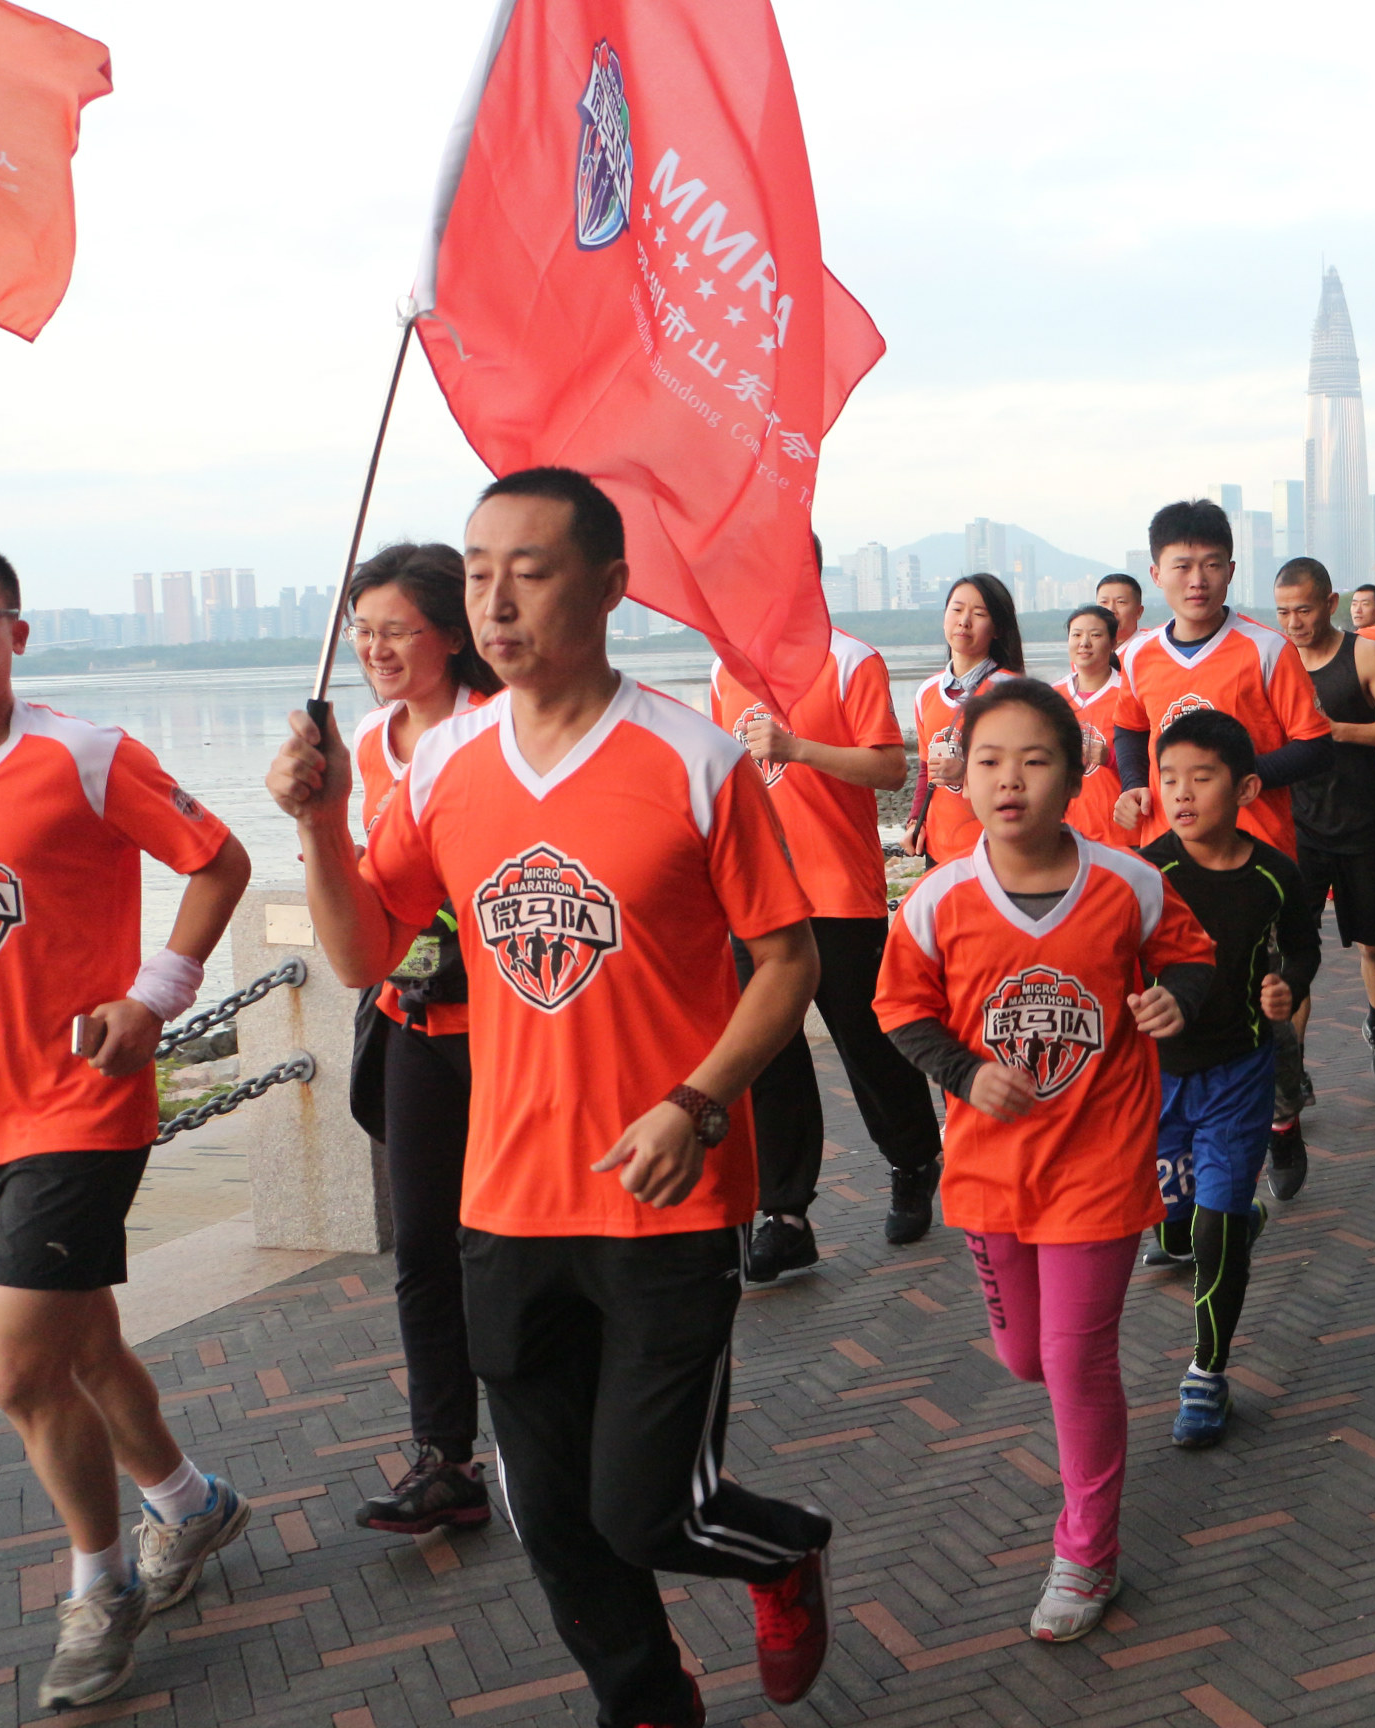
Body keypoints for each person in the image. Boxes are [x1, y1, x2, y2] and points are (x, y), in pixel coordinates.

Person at [267, 468, 835, 1721]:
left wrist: (695, 1103)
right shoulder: (444, 766)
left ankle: (783, 1550)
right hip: (506, 1197)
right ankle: (648, 1701)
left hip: (666, 1197)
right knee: (555, 1517)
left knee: (650, 1506)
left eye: (529, 571)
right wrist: (323, 824)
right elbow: (366, 953)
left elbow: (788, 961)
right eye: (478, 574)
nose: (497, 600)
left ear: (611, 586)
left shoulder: (692, 757)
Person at [0, 532, 255, 1710]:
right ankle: (190, 1506)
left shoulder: (85, 755)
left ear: (16, 632)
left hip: (81, 1103)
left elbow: (218, 859)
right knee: (82, 1348)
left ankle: (102, 1585)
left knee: (18, 1369)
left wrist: (155, 997)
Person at [874, 679, 1213, 1641]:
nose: (1010, 780)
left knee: (1074, 1359)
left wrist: (1175, 1000)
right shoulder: (937, 900)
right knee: (1026, 1357)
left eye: (1034, 760)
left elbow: (1191, 956)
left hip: (1101, 1162)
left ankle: (1086, 1553)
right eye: (989, 760)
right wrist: (964, 1073)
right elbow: (899, 1008)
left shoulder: (1129, 883)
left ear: (1075, 775)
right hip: (989, 1172)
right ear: (960, 775)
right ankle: (1079, 1487)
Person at [341, 542, 501, 1539]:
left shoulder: (501, 729)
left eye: (395, 630)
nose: (376, 649)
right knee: (423, 1246)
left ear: (451, 632)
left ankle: (549, 1436)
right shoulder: (368, 742)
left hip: (510, 1032)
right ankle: (446, 1458)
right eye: (362, 632)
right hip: (411, 1021)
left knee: (514, 1243)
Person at [712, 595, 946, 1277]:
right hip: (757, 899)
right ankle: (786, 1215)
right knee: (768, 1057)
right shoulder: (726, 668)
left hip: (839, 890)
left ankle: (912, 1159)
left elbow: (891, 768)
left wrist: (797, 749)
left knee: (867, 1046)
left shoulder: (851, 661)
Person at [1140, 711, 1319, 1443]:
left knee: (1212, 1234)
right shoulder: (1145, 873)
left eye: (1201, 778)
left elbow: (1303, 949)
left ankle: (1206, 1374)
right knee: (1177, 1225)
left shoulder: (1275, 874)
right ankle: (1237, 1218)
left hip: (1238, 1075)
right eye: (1168, 778)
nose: (1181, 793)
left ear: (1245, 788)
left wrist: (1287, 987)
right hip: (1156, 1082)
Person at [1272, 558, 1375, 1125]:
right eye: (1283, 612)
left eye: (1304, 610)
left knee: (1371, 940)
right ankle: (1295, 1064)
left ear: (1330, 604)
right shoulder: (1275, 661)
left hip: (1360, 824)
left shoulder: (1362, 654)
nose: (1294, 623)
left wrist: (1337, 731)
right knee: (1295, 951)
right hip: (1298, 830)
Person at [1108, 499, 1333, 856]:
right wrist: (1134, 783)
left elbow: (1316, 746)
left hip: (1253, 851)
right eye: (1182, 567)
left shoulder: (1268, 649)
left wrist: (1231, 777)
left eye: (1211, 565)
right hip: (1165, 850)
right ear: (1156, 574)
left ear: (1230, 571)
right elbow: (1129, 728)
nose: (1197, 581)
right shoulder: (1137, 655)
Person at [907, 574, 1025, 867]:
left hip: (997, 849)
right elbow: (926, 769)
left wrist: (966, 773)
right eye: (957, 609)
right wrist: (915, 821)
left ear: (998, 629)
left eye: (979, 614)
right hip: (939, 850)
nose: (964, 621)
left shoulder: (1012, 691)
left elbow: (1029, 770)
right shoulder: (926, 692)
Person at [1062, 604, 1138, 848]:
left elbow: (1152, 760)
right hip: (1065, 836)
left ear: (1113, 643)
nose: (1084, 643)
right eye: (1076, 635)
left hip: (1124, 836)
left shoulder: (1130, 692)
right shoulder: (1050, 697)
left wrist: (1110, 757)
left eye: (1095, 635)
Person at [1097, 572, 1144, 643]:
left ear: (1139, 612)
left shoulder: (1151, 646)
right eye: (1104, 602)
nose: (1110, 609)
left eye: (1120, 602)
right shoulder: (1086, 647)